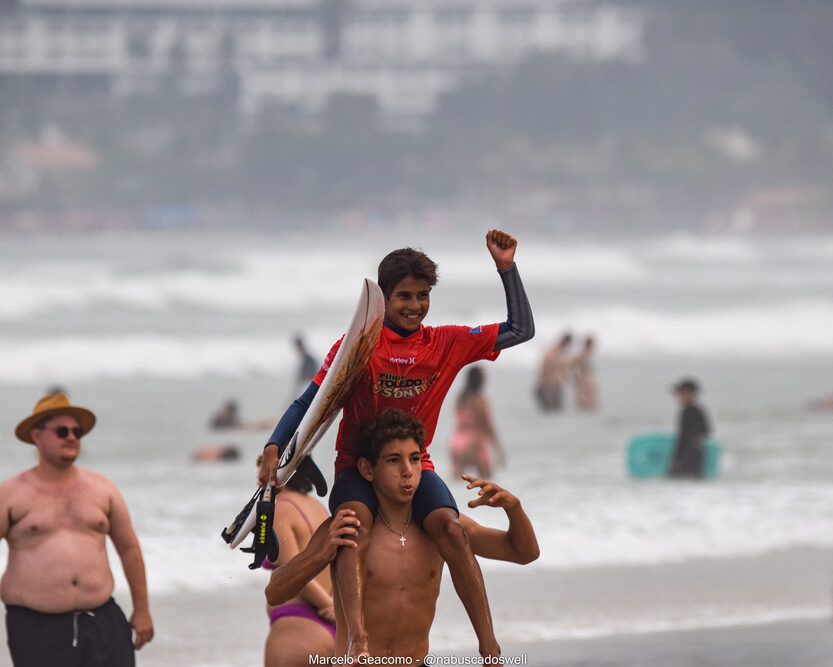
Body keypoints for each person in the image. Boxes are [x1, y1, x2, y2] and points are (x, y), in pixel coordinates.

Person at [259, 229, 534, 659]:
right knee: (352, 527)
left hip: (414, 463)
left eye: (423, 295)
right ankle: (358, 641)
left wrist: (507, 269)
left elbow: (521, 329)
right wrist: (277, 444)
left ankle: (488, 644)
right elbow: (310, 401)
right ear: (383, 299)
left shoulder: (446, 343)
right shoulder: (358, 346)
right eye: (404, 296)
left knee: (449, 527)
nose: (415, 305)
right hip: (357, 464)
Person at [264, 409, 539, 663]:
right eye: (394, 460)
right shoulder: (349, 528)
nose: (407, 471)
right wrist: (322, 554)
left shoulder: (440, 529)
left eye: (415, 459)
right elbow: (275, 591)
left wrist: (513, 509)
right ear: (368, 470)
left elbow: (523, 553)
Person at [0, 393, 154, 666]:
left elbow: (129, 549)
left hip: (104, 621)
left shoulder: (102, 488)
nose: (71, 437)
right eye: (62, 431)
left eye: (77, 432)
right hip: (36, 627)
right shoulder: (11, 493)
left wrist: (142, 610)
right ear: (37, 436)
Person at [262, 460, 335, 666]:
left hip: (298, 626)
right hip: (328, 628)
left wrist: (328, 605)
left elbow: (294, 575)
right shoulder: (316, 506)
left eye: (261, 468)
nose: (258, 478)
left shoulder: (281, 509)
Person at [449, 366, 505, 479]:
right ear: (480, 379)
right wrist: (498, 449)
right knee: (487, 481)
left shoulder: (460, 399)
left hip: (457, 442)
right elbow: (487, 425)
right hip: (474, 443)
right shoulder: (480, 401)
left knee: (456, 481)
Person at [669, 378, 711, 478]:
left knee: (681, 482)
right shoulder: (695, 410)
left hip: (688, 455)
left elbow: (684, 436)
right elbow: (705, 431)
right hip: (696, 454)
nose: (679, 397)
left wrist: (677, 458)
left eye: (682, 394)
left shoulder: (690, 411)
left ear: (691, 393)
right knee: (691, 484)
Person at [536, 332, 573, 411]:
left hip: (545, 386)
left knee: (552, 411)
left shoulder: (552, 349)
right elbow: (560, 368)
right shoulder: (555, 352)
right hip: (548, 387)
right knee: (553, 410)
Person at [570, 335, 598, 411]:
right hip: (583, 378)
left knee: (589, 397)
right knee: (584, 397)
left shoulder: (586, 353)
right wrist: (576, 376)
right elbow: (572, 363)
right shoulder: (583, 353)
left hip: (585, 377)